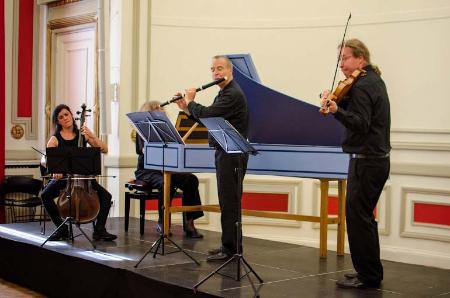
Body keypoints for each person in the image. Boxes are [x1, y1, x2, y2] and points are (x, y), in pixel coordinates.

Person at [320, 39, 390, 289]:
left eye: (346, 58)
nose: (341, 65)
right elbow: (362, 113)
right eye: (340, 59)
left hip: (368, 161)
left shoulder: (364, 85)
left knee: (359, 219)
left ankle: (368, 276)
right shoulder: (370, 81)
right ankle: (367, 269)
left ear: (361, 58)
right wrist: (337, 102)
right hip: (370, 160)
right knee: (361, 218)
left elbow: (361, 123)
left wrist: (337, 109)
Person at [175, 55, 249, 262]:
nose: (215, 73)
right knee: (226, 202)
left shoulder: (232, 94)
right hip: (225, 152)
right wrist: (185, 108)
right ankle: (229, 246)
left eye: (220, 68)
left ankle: (232, 250)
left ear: (230, 71)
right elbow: (209, 118)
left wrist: (191, 101)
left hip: (232, 155)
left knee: (230, 202)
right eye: (213, 69)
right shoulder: (225, 93)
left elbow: (207, 114)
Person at [41, 104, 117, 241]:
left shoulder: (83, 135)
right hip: (65, 180)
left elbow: (105, 149)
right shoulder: (55, 139)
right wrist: (55, 169)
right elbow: (44, 159)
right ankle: (61, 228)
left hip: (84, 178)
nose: (65, 118)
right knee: (45, 195)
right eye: (61, 117)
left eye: (66, 114)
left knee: (106, 196)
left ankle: (99, 230)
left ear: (71, 115)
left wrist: (92, 136)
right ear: (58, 121)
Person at [134, 100, 204, 238]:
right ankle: (163, 221)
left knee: (191, 180)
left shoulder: (168, 130)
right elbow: (144, 151)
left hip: (166, 167)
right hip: (148, 170)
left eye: (162, 109)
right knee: (166, 183)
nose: (162, 111)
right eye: (157, 109)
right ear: (149, 112)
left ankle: (189, 222)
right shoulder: (142, 129)